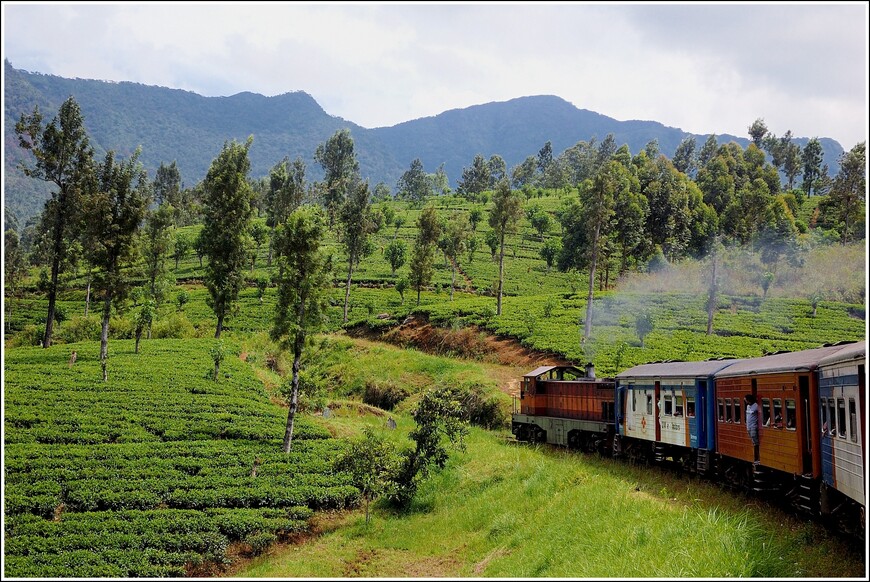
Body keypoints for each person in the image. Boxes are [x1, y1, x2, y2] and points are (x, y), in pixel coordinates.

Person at [744, 394, 759, 464]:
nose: (745, 401)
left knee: (755, 441)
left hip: (753, 426)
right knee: (752, 440)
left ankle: (757, 456)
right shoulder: (748, 406)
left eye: (746, 400)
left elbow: (755, 413)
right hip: (748, 426)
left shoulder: (755, 405)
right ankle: (755, 456)